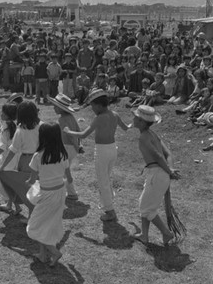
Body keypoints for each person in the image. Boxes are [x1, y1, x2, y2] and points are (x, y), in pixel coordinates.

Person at [64, 89, 131, 221]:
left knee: (103, 181)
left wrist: (68, 132)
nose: (92, 109)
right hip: (113, 149)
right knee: (106, 178)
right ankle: (109, 201)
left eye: (93, 106)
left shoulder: (100, 118)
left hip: (102, 151)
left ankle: (110, 210)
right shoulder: (115, 114)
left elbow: (84, 134)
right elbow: (126, 127)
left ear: (99, 105)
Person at [132, 105, 180, 245]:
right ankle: (144, 235)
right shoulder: (153, 134)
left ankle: (166, 233)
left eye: (136, 117)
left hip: (157, 174)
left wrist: (169, 171)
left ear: (141, 121)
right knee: (145, 203)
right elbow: (168, 154)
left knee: (146, 208)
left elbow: (158, 155)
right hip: (158, 174)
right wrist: (169, 168)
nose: (133, 119)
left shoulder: (144, 137)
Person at [26, 123, 73, 266]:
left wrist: (29, 183)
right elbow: (69, 178)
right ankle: (42, 254)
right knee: (47, 224)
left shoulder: (38, 156)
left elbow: (32, 179)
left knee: (34, 227)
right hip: (60, 193)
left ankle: (54, 252)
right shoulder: (62, 154)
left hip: (46, 195)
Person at [0, 101, 41, 222]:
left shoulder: (20, 129)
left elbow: (13, 150)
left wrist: (3, 167)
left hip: (26, 161)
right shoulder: (42, 125)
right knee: (39, 187)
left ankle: (32, 216)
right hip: (41, 159)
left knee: (28, 189)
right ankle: (39, 214)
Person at [48, 93, 80, 200]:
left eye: (55, 106)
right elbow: (78, 130)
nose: (53, 107)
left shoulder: (62, 120)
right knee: (65, 170)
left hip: (66, 147)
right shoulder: (71, 117)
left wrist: (77, 145)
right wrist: (78, 145)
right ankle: (68, 192)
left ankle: (71, 193)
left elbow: (70, 134)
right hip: (71, 148)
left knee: (64, 171)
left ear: (61, 109)